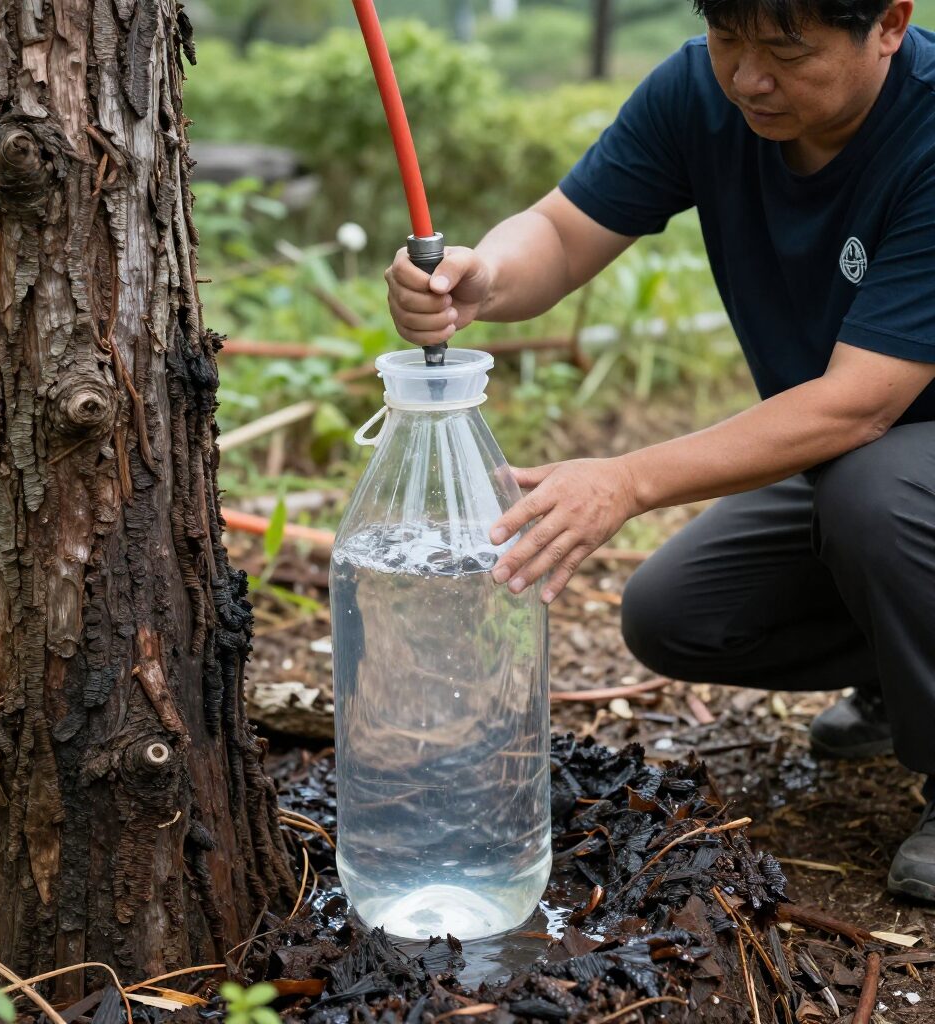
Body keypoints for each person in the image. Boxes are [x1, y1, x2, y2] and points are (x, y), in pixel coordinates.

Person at [384, 0, 935, 902]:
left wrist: (628, 480)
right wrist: (482, 275)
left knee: (873, 490)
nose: (749, 77)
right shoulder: (700, 92)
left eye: (787, 49)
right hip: (876, 478)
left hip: (888, 465)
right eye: (729, 39)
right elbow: (562, 232)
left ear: (888, 23)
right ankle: (903, 667)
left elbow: (856, 407)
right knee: (681, 611)